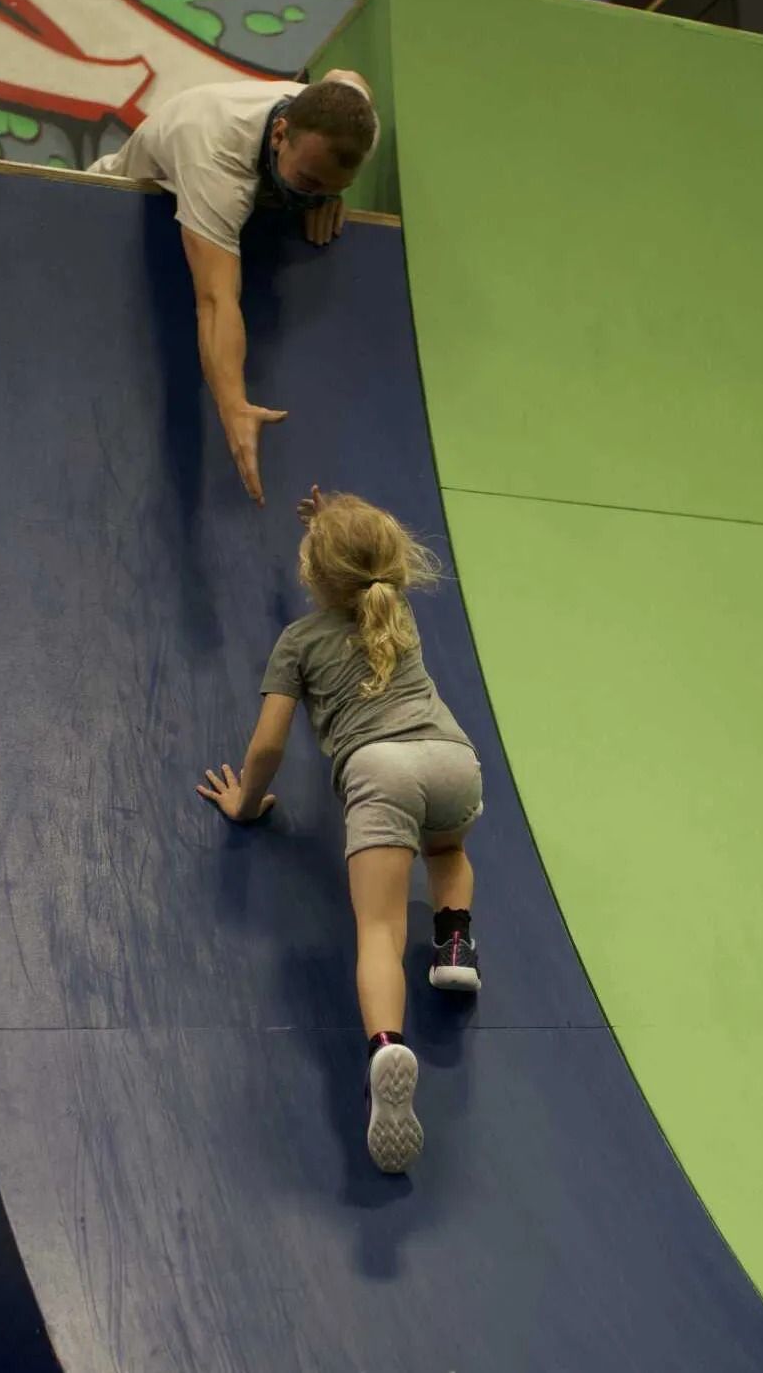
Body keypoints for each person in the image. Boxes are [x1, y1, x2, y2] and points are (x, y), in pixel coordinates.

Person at [196, 486, 482, 1174]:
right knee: (447, 848)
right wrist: (335, 518)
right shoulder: (397, 609)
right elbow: (365, 555)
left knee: (379, 929)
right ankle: (454, 943)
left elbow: (268, 744)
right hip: (454, 761)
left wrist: (246, 801)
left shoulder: (297, 641)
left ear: (312, 575)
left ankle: (386, 1046)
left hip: (381, 772)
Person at [88, 73, 379, 505]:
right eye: (310, 182)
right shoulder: (215, 157)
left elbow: (347, 79)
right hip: (109, 204)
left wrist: (324, 196)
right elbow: (215, 300)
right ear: (279, 134)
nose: (316, 194)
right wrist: (234, 404)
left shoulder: (356, 126)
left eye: (334, 184)